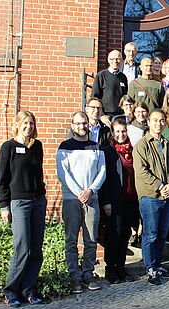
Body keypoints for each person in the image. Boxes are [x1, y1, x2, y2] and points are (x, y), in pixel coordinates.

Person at [0, 111, 47, 307]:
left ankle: (29, 290)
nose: (29, 127)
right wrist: (3, 206)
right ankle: (11, 290)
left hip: (38, 202)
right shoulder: (8, 147)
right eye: (25, 123)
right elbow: (1, 179)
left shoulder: (37, 146)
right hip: (19, 203)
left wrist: (41, 195)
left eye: (31, 123)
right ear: (17, 125)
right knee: (22, 247)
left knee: (36, 249)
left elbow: (38, 174)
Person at [56, 111, 106, 294]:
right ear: (72, 125)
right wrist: (79, 193)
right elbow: (63, 174)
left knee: (91, 239)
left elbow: (102, 171)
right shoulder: (65, 146)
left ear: (88, 125)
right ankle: (74, 277)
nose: (81, 126)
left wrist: (90, 191)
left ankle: (88, 274)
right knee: (71, 240)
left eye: (84, 123)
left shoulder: (96, 146)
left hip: (92, 198)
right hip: (72, 199)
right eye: (77, 124)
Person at [133, 110, 169, 285]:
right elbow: (142, 171)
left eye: (161, 121)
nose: (159, 124)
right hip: (150, 197)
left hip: (168, 197)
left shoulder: (168, 145)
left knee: (162, 234)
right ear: (149, 122)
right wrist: (161, 186)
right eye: (155, 120)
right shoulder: (142, 145)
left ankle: (158, 264)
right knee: (150, 235)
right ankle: (150, 268)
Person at [99, 118, 138, 284]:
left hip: (131, 199)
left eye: (123, 131)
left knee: (125, 234)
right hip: (115, 200)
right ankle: (111, 269)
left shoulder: (133, 150)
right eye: (118, 132)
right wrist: (106, 201)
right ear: (113, 134)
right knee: (114, 235)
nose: (121, 134)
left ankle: (121, 268)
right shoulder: (108, 151)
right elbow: (104, 178)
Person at [92, 50, 128, 117]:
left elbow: (125, 97)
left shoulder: (123, 77)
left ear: (122, 60)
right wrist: (101, 114)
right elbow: (95, 97)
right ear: (108, 60)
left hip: (120, 114)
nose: (115, 61)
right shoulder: (101, 75)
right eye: (112, 59)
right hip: (106, 115)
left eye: (118, 59)